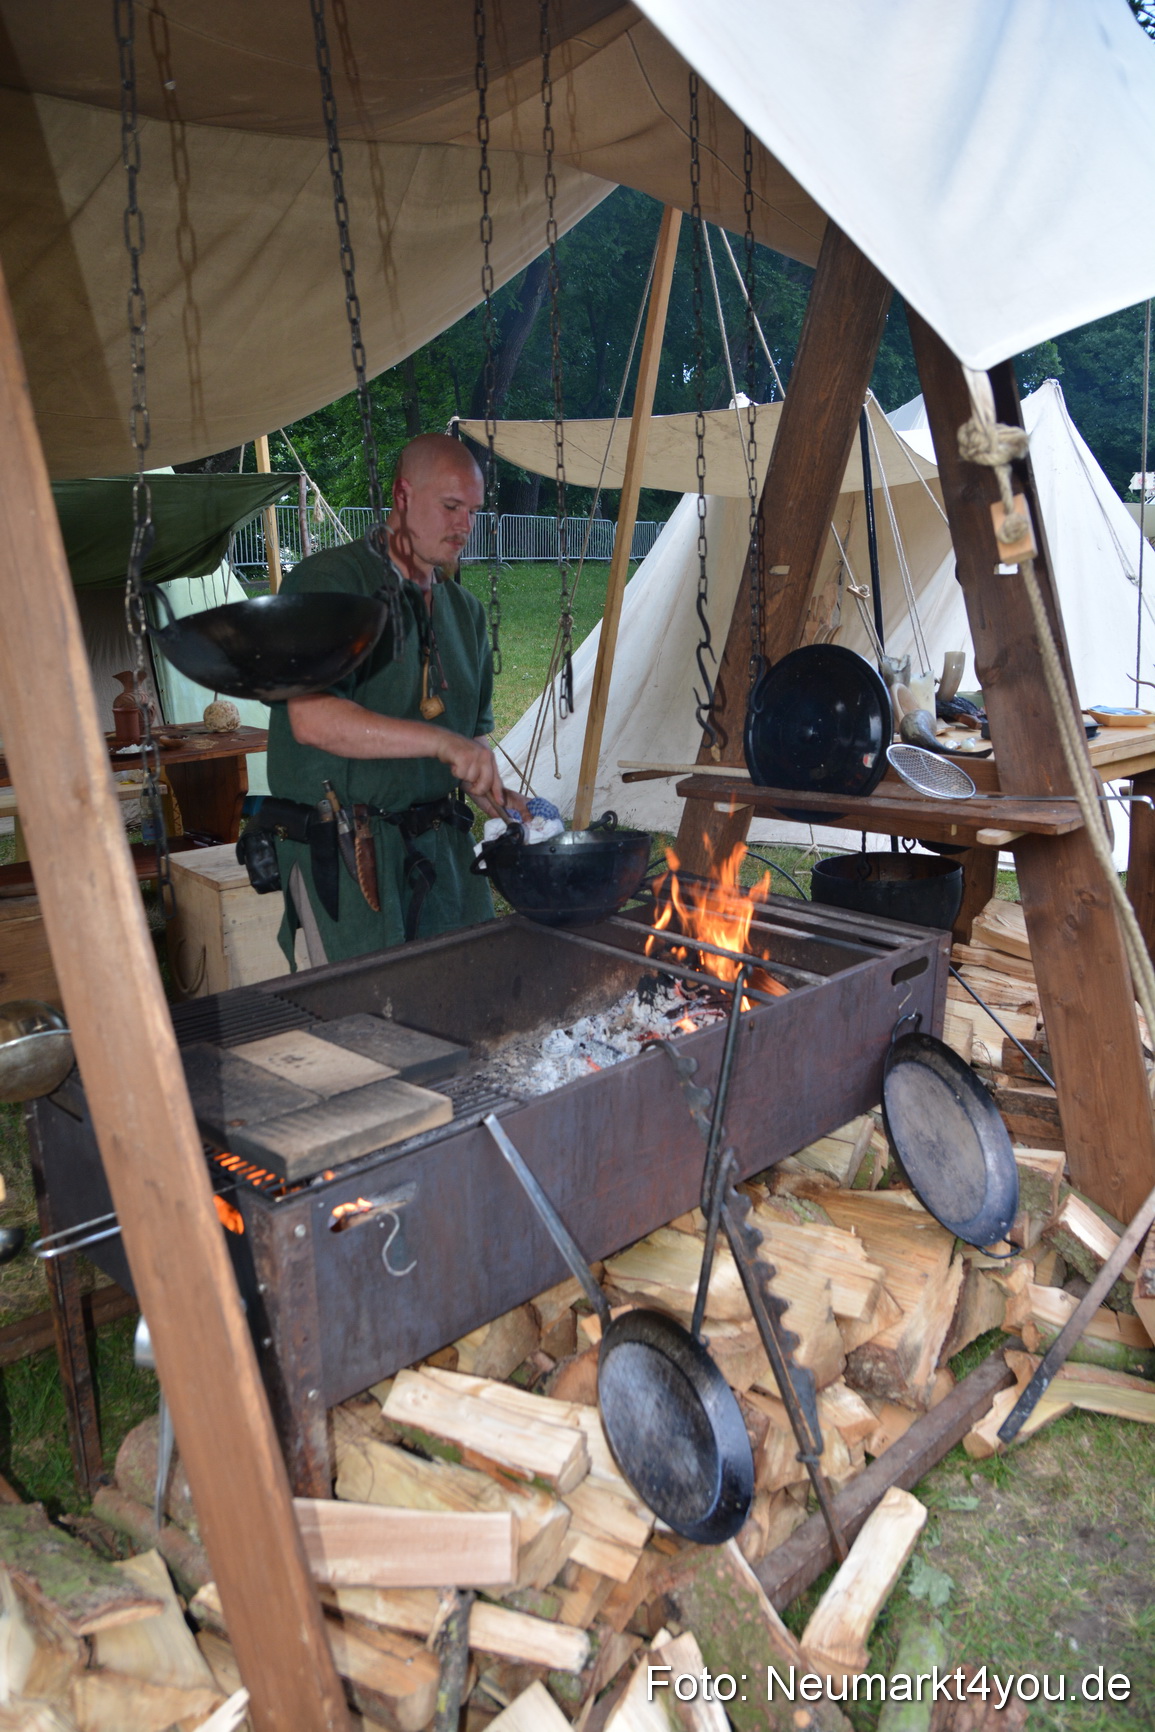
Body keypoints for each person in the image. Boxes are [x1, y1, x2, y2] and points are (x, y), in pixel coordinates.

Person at [266, 433, 527, 965]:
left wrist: (490, 788)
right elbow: (312, 718)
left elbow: (469, 737)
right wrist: (443, 744)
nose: (464, 525)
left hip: (444, 851)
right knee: (368, 1011)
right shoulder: (331, 582)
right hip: (352, 857)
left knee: (475, 997)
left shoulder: (466, 613)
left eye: (474, 511)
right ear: (402, 496)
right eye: (450, 506)